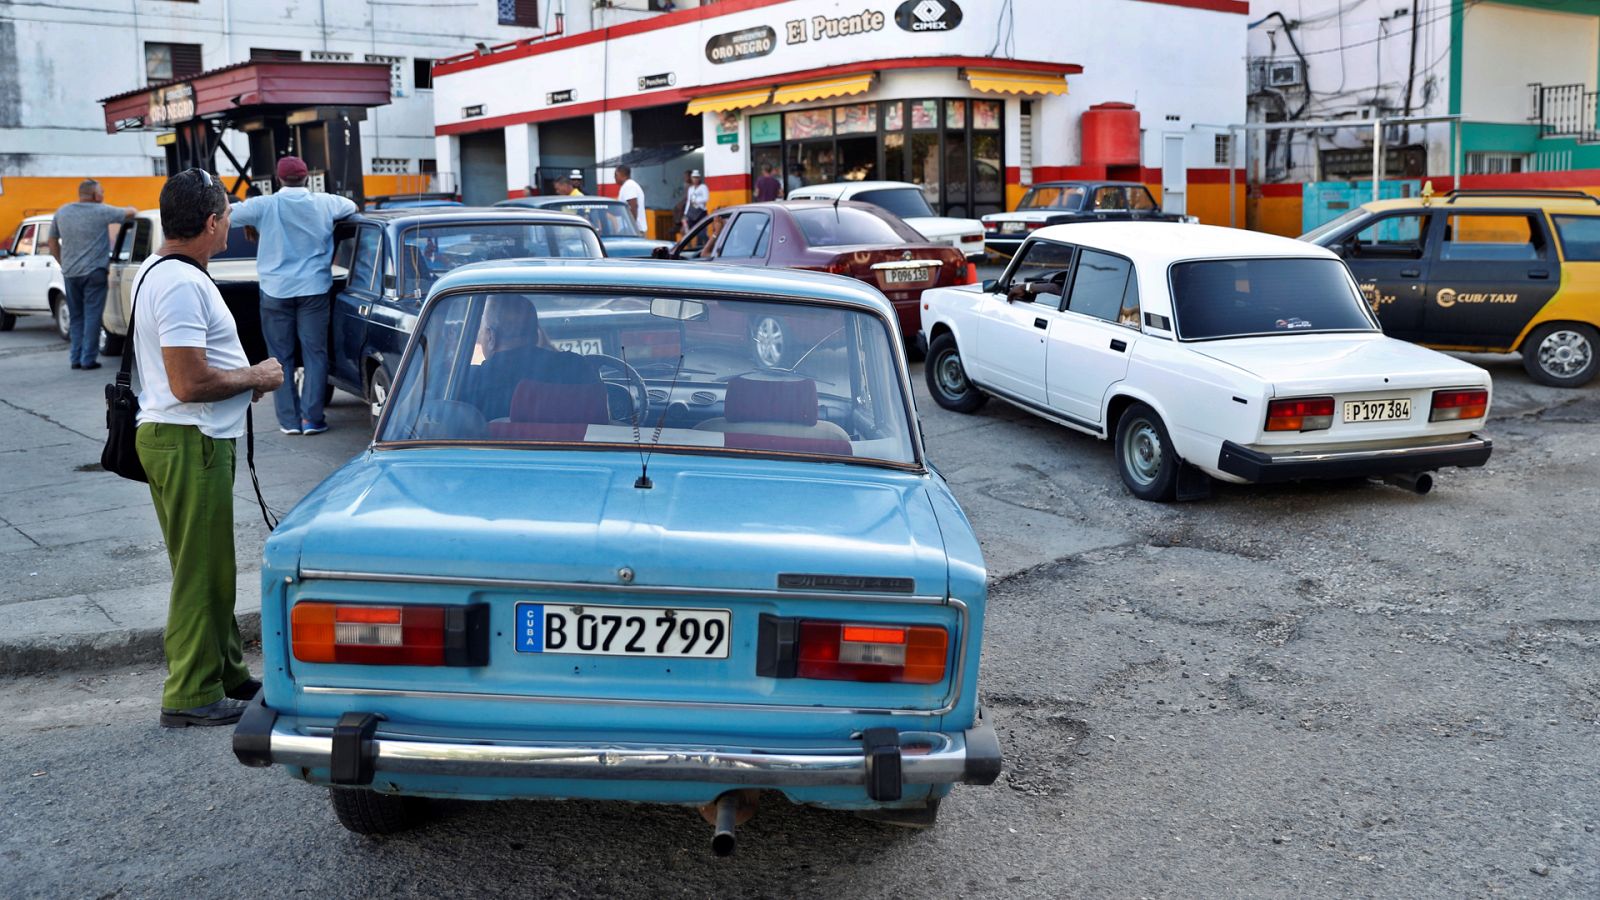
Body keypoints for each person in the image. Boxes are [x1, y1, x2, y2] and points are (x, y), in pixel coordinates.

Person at [133, 168, 285, 727]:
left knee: (209, 565)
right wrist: (256, 377)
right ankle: (191, 694)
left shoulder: (162, 270)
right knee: (202, 571)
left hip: (188, 437)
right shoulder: (179, 282)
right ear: (212, 221)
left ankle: (225, 671)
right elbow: (188, 382)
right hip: (188, 438)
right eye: (227, 216)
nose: (229, 227)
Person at [230, 156, 358, 436]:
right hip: (314, 289)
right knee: (315, 354)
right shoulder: (325, 202)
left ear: (278, 179)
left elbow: (229, 214)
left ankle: (289, 421)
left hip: (275, 291)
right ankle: (312, 419)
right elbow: (352, 206)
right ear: (307, 178)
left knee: (280, 357)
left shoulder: (264, 205)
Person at [48, 180, 136, 370]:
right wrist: (131, 208)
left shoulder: (62, 212)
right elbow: (130, 212)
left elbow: (52, 241)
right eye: (101, 192)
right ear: (94, 195)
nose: (103, 195)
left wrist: (63, 262)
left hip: (70, 273)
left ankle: (75, 359)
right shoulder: (101, 211)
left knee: (76, 316)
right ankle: (88, 359)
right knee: (92, 316)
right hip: (95, 272)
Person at [472, 295, 597, 421]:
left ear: (491, 337)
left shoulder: (470, 382)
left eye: (481, 331)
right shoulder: (577, 367)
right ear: (536, 335)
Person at [615, 165, 650, 235]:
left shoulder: (629, 186)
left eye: (616, 175)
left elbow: (633, 207)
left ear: (623, 175)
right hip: (633, 230)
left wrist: (631, 228)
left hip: (634, 231)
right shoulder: (628, 185)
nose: (615, 178)